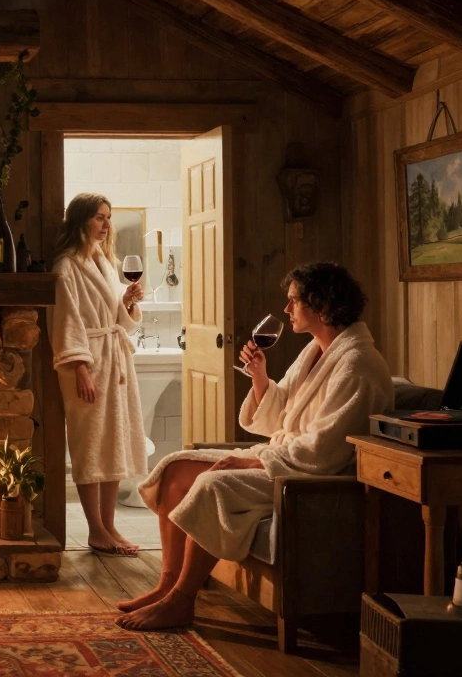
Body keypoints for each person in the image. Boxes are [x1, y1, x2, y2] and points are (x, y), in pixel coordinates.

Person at [116, 262, 393, 631]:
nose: (286, 309)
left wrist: (253, 464)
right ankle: (167, 583)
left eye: (293, 301)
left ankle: (182, 601)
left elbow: (323, 451)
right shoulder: (317, 351)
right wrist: (261, 378)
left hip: (309, 478)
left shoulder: (358, 365)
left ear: (322, 305)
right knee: (175, 468)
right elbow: (282, 415)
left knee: (212, 484)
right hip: (284, 458)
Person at [48, 193, 148, 557]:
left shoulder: (105, 263)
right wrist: (79, 367)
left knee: (113, 444)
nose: (106, 226)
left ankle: (110, 527)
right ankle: (95, 530)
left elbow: (113, 321)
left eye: (108, 218)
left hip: (113, 359)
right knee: (90, 446)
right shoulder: (66, 266)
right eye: (98, 218)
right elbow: (67, 321)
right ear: (80, 221)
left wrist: (126, 303)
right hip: (85, 364)